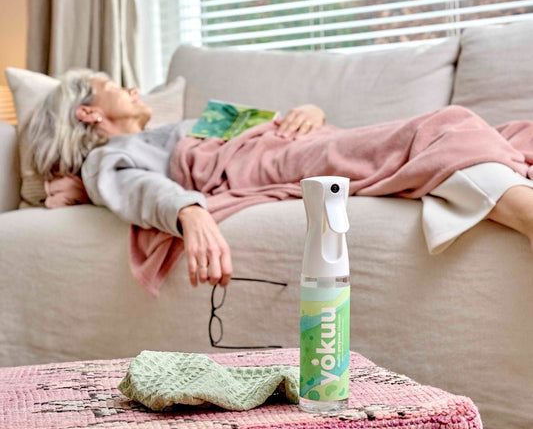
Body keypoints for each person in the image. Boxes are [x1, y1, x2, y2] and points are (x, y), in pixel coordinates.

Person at [24, 69, 533, 290]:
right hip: (254, 160)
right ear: (88, 113)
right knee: (445, 127)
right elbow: (139, 190)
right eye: (116, 86)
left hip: (287, 142)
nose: (134, 89)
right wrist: (190, 212)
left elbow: (279, 120)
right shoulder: (110, 156)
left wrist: (309, 111)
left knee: (508, 134)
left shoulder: (192, 123)